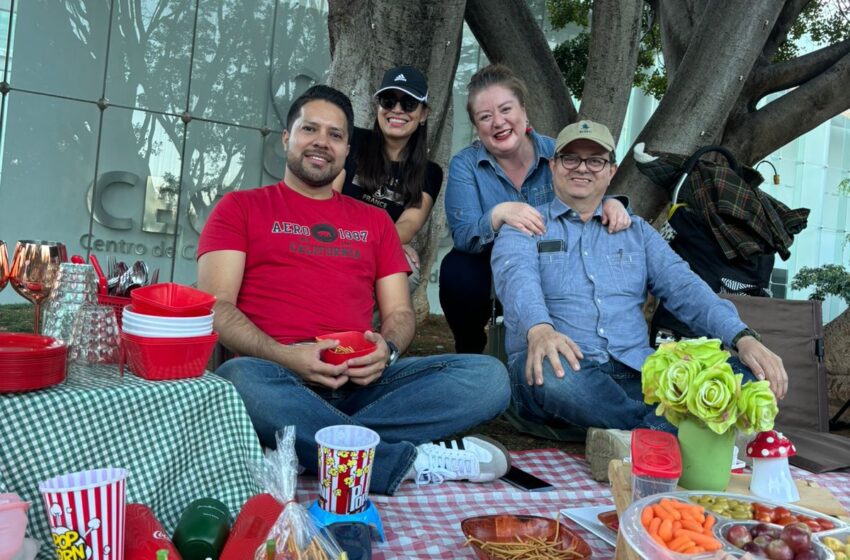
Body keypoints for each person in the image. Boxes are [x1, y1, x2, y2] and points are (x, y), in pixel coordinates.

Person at [197, 85, 511, 496]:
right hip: (277, 375)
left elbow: (399, 312)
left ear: (348, 151)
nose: (321, 143)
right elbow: (216, 307)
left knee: (489, 377)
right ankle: (408, 461)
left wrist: (389, 350)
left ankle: (317, 443)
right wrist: (285, 355)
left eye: (335, 135)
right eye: (310, 129)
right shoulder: (240, 208)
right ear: (286, 138)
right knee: (235, 380)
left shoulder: (375, 223)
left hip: (365, 383)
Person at [491, 119, 788, 480]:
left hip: (637, 371)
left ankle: (633, 439)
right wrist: (540, 329)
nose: (582, 168)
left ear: (611, 170)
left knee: (743, 375)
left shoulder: (637, 232)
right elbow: (516, 280)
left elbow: (686, 288)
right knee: (556, 375)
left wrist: (743, 337)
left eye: (595, 160)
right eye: (570, 158)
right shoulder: (525, 224)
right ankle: (672, 432)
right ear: (553, 166)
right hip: (563, 367)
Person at [440, 64, 631, 354]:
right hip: (489, 261)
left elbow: (587, 182)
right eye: (485, 116)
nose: (498, 122)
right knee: (457, 270)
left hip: (551, 255)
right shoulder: (465, 164)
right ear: (477, 127)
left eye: (506, 109)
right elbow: (464, 235)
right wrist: (498, 214)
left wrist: (610, 201)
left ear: (524, 111)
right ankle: (471, 351)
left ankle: (579, 345)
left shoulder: (557, 153)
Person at [335, 65, 442, 290]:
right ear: (378, 107)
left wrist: (372, 245)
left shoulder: (430, 172)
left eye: (409, 104)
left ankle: (362, 326)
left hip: (375, 250)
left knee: (407, 269)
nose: (397, 110)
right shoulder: (352, 140)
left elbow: (408, 225)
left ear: (423, 114)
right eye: (388, 101)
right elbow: (329, 200)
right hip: (333, 239)